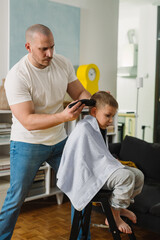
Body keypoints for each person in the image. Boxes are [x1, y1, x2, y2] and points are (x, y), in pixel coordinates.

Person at [0, 24, 91, 240]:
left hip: (59, 141)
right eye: (43, 49)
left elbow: (79, 91)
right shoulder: (17, 76)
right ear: (28, 47)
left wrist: (93, 100)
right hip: (27, 143)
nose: (49, 54)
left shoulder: (62, 63)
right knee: (16, 198)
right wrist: (63, 116)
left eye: (52, 47)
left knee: (81, 188)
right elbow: (28, 121)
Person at [57, 91, 144, 236]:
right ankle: (114, 217)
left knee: (138, 175)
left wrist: (110, 161)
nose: (111, 120)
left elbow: (99, 153)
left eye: (113, 116)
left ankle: (120, 206)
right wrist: (108, 163)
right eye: (108, 115)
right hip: (89, 174)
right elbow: (83, 159)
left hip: (99, 169)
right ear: (94, 111)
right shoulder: (84, 128)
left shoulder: (98, 128)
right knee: (126, 177)